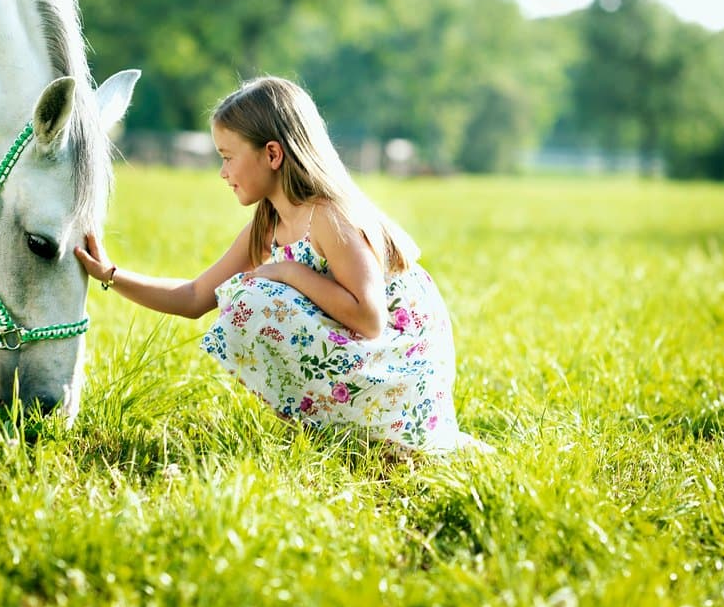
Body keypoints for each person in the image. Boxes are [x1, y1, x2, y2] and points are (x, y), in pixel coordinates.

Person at [75, 76, 485, 456]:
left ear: (272, 153)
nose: (222, 172)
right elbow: (196, 296)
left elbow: (370, 318)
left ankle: (371, 433)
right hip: (362, 354)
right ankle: (334, 429)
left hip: (400, 364)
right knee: (246, 297)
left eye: (228, 157)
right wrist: (110, 274)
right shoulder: (269, 222)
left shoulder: (329, 216)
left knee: (253, 300)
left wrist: (290, 273)